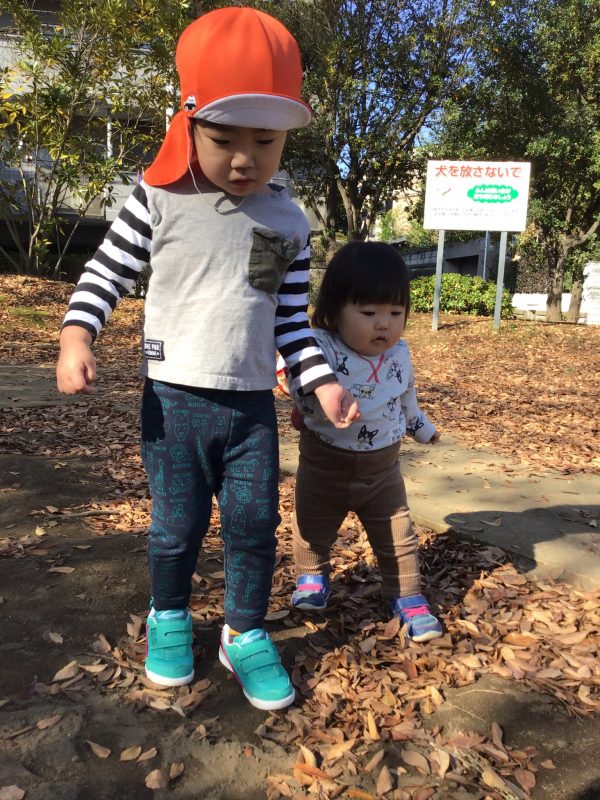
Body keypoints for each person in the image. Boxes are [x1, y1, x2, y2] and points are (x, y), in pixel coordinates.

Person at [56, 6, 358, 711]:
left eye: (266, 140)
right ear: (189, 123)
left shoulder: (287, 220)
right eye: (224, 139)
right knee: (176, 524)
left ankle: (243, 631)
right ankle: (168, 615)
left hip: (250, 407)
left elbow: (288, 320)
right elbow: (105, 273)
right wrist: (77, 336)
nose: (245, 158)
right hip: (175, 403)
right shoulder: (159, 197)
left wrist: (323, 383)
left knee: (254, 524)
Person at [286, 241, 444, 643]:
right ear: (335, 311)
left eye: (395, 313)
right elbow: (297, 374)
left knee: (398, 536)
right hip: (324, 465)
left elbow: (405, 396)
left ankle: (407, 595)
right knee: (312, 523)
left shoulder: (399, 353)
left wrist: (420, 426)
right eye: (369, 313)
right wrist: (295, 386)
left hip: (382, 471)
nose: (383, 325)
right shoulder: (320, 346)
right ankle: (311, 575)